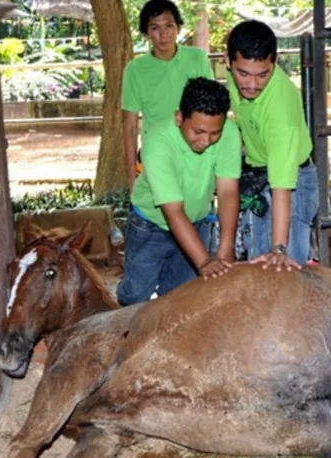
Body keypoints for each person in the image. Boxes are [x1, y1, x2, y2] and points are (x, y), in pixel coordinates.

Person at [115, 77, 241, 306]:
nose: (206, 141)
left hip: (197, 223)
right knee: (135, 296)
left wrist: (225, 247)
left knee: (181, 298)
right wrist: (204, 261)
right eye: (199, 131)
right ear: (179, 117)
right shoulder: (157, 140)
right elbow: (173, 212)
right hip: (150, 226)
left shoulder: (230, 133)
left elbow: (227, 192)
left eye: (215, 133)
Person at [225, 20, 319, 271]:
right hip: (258, 175)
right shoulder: (233, 79)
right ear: (228, 62)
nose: (252, 85)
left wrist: (279, 248)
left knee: (286, 268)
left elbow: (282, 188)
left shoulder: (281, 112)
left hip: (292, 182)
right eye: (243, 73)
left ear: (274, 64)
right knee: (258, 262)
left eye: (262, 75)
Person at [121, 0, 214, 192]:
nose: (163, 34)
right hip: (157, 156)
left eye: (169, 26)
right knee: (159, 215)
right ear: (146, 33)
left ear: (178, 28)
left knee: (197, 215)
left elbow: (212, 110)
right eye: (155, 27)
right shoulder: (135, 70)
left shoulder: (197, 59)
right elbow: (129, 127)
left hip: (195, 153)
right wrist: (131, 178)